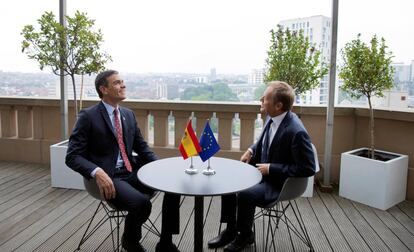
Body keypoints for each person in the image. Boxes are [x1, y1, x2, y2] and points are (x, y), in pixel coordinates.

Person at [65, 70, 180, 252]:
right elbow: (72, 156)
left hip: (132, 172)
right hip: (109, 177)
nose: (123, 85)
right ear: (104, 89)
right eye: (117, 83)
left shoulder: (128, 114)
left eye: (123, 82)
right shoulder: (88, 116)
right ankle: (130, 242)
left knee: (173, 188)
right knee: (142, 203)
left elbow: (142, 148)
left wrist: (160, 167)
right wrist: (97, 172)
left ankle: (165, 242)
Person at [207, 81, 316, 252]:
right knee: (227, 183)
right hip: (260, 172)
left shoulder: (296, 132)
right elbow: (263, 141)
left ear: (278, 105)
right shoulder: (272, 117)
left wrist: (272, 168)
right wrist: (251, 150)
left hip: (277, 184)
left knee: (244, 194)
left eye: (265, 98)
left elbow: (308, 168)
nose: (260, 99)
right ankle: (230, 231)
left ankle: (245, 236)